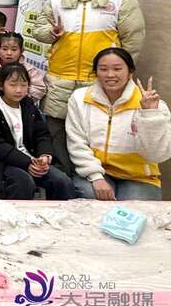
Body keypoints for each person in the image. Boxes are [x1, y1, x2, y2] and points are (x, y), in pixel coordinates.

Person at [33, 0, 145, 176]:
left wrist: (120, 76)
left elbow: (133, 41)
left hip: (100, 81)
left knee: (94, 134)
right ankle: (66, 184)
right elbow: (38, 29)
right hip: (60, 80)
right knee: (57, 134)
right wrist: (51, 32)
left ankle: (93, 180)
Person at [66, 48, 171, 201]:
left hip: (139, 178)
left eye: (117, 69)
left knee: (132, 210)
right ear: (96, 72)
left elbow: (157, 155)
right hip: (97, 172)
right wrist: (95, 176)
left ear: (130, 72)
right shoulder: (80, 98)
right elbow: (77, 142)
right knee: (90, 198)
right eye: (103, 69)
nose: (110, 75)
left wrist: (149, 114)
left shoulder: (154, 106)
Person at [0, 63, 75, 200]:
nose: (19, 90)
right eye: (13, 85)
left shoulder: (28, 105)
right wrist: (27, 162)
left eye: (23, 85)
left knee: (62, 180)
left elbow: (42, 134)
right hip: (4, 163)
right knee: (24, 183)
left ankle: (59, 213)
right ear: (0, 85)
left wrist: (44, 156)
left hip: (32, 159)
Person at [0, 32, 46, 103]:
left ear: (21, 51)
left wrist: (20, 96)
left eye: (14, 50)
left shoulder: (28, 69)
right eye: (4, 49)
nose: (9, 53)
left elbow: (39, 88)